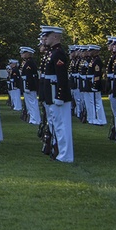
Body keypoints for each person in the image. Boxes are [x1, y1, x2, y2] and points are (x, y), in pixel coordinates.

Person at [40, 25, 74, 163]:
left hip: (57, 96)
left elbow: (61, 78)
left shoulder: (58, 53)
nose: (44, 39)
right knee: (56, 125)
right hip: (51, 95)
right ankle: (59, 151)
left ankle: (65, 155)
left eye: (47, 36)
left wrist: (59, 96)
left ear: (55, 36)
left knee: (62, 126)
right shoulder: (52, 53)